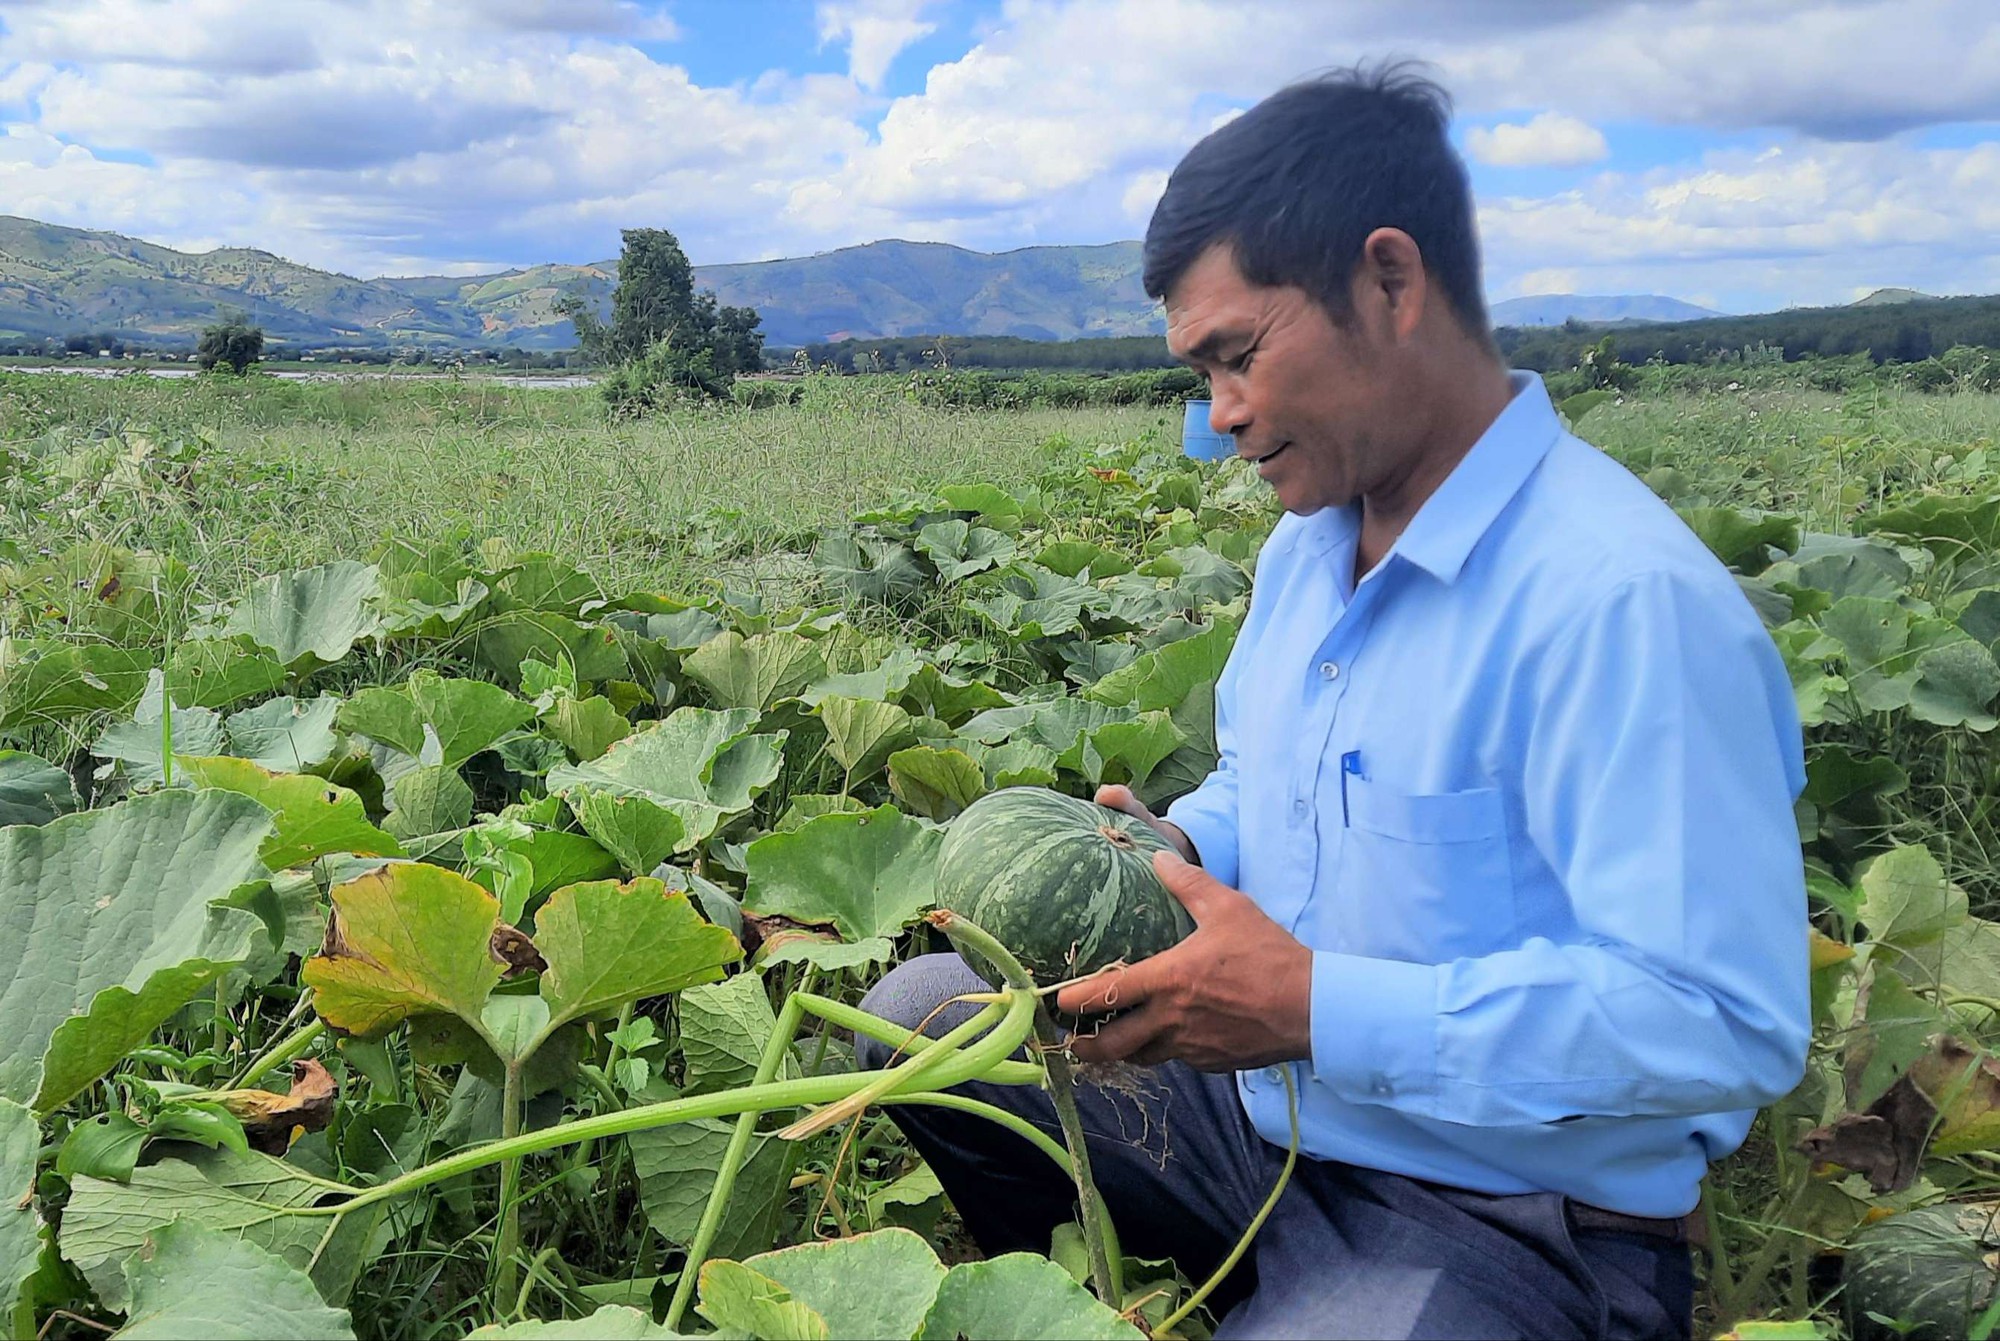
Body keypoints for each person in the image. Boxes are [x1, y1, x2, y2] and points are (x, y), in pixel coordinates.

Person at [858, 61, 1807, 1340]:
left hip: (1511, 1211)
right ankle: (1090, 1302)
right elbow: (1271, 780)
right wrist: (1173, 853)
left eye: (1234, 359)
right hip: (1262, 1122)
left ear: (1388, 282)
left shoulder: (1621, 604)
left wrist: (1310, 1008)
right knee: (919, 1019)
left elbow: (1716, 1025)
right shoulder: (1306, 548)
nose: (1219, 420)